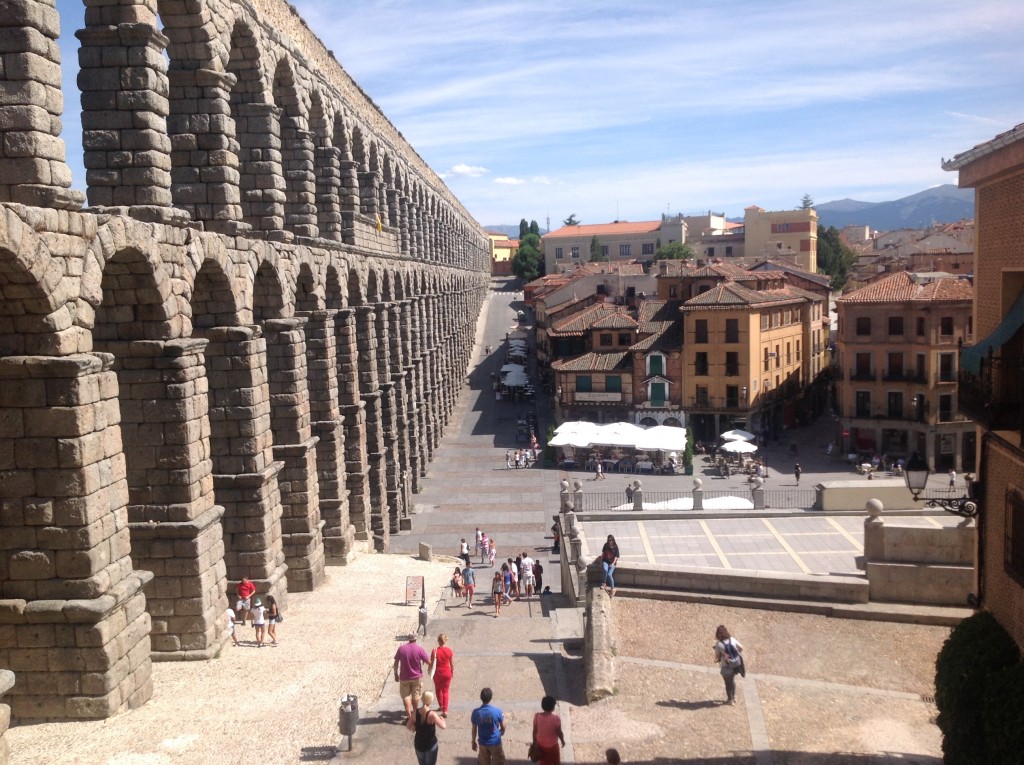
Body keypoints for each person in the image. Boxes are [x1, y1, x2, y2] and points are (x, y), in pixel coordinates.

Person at [394, 634, 431, 723]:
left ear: (408, 639)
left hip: (404, 677)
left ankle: (409, 716)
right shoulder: (419, 649)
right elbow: (428, 662)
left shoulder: (401, 649)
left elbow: (396, 662)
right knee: (416, 696)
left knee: (406, 696)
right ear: (416, 639)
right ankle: (414, 714)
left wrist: (395, 674)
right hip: (417, 677)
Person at [407, 689, 446, 765]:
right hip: (430, 745)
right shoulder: (432, 714)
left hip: (418, 744)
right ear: (431, 701)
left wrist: (414, 727)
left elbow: (408, 726)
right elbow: (443, 726)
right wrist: (442, 719)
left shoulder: (415, 712)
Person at [471, 687, 506, 765]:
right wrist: (502, 730)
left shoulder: (476, 712)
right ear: (491, 697)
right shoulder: (497, 711)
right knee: (499, 762)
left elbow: (474, 729)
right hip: (495, 742)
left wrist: (473, 741)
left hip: (483, 743)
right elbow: (503, 725)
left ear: (481, 697)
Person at [713, 624, 744, 705]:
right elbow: (741, 648)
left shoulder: (719, 644)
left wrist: (722, 655)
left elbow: (717, 655)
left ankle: (730, 700)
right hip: (736, 664)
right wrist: (735, 655)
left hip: (727, 666)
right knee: (732, 680)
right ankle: (734, 697)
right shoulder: (732, 639)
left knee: (727, 683)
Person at [532, 695, 565, 765]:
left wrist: (534, 742)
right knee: (555, 761)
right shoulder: (556, 719)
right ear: (552, 707)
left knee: (544, 761)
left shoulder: (537, 716)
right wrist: (562, 741)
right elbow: (559, 732)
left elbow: (534, 731)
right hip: (552, 745)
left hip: (540, 744)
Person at [429, 634, 455, 717]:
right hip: (447, 672)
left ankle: (441, 705)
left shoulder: (435, 651)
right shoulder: (449, 650)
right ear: (445, 641)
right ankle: (445, 710)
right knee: (446, 691)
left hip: (437, 673)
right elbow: (451, 663)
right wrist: (452, 671)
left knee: (438, 689)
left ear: (438, 641)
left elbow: (432, 663)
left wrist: (429, 669)